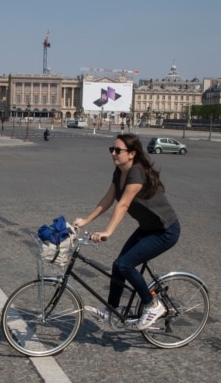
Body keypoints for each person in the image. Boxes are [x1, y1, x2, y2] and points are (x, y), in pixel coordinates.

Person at [73, 134, 180, 330]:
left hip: (165, 230)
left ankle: (153, 304)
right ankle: (112, 309)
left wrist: (107, 231)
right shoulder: (119, 171)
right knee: (118, 265)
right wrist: (85, 221)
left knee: (125, 264)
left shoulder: (137, 172)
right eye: (111, 150)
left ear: (132, 154)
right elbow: (108, 199)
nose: (113, 153)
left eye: (118, 150)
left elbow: (123, 204)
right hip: (148, 229)